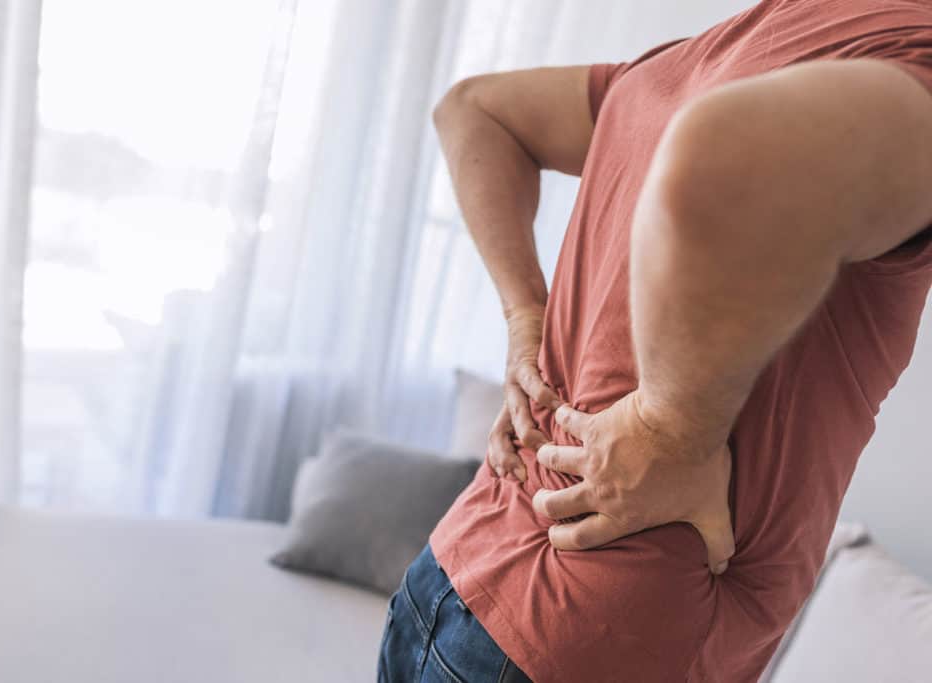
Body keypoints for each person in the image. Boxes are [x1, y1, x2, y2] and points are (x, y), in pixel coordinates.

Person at [376, 0, 932, 681]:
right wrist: (670, 430)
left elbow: (473, 110)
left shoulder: (695, 61)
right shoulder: (912, 56)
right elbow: (730, 163)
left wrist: (528, 315)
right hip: (595, 637)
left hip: (447, 578)